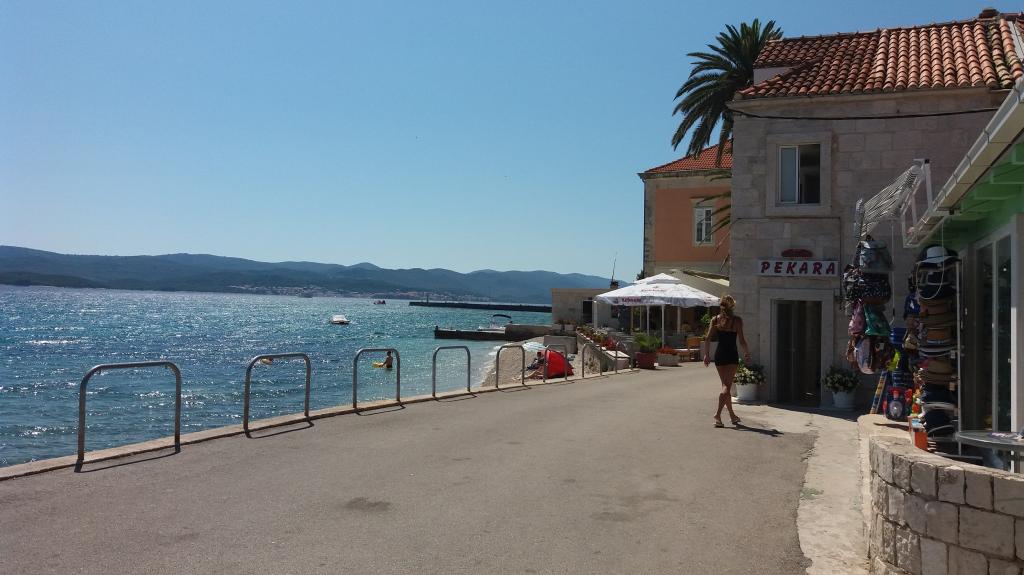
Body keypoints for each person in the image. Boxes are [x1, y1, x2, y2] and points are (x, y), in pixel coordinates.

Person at [703, 294, 751, 427]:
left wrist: (706, 355)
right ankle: (717, 415)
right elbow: (742, 340)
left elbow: (707, 339)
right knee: (726, 387)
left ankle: (732, 415)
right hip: (731, 356)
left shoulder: (715, 319)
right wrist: (747, 353)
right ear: (732, 306)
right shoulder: (737, 321)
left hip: (719, 355)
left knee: (726, 386)